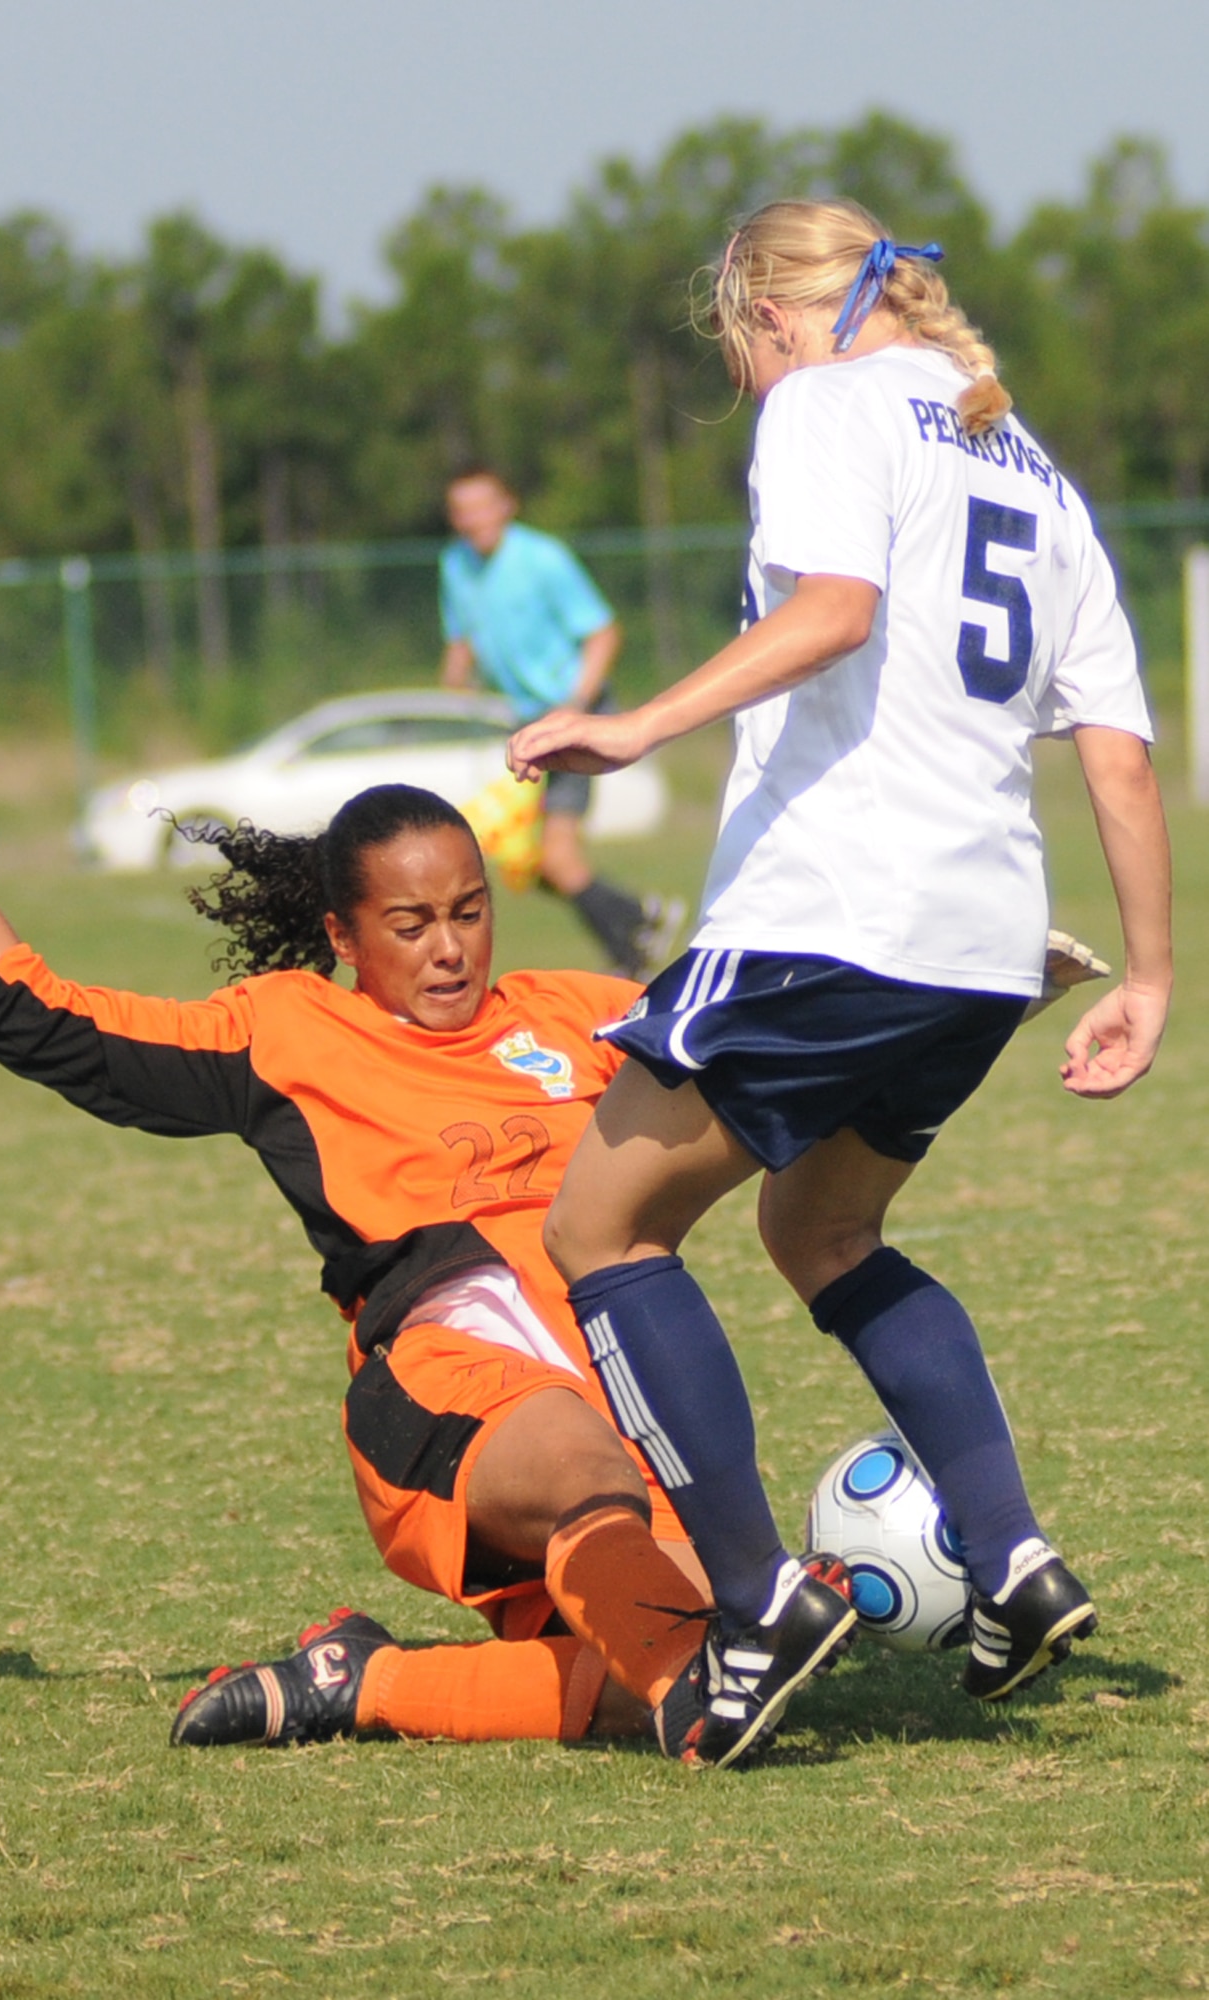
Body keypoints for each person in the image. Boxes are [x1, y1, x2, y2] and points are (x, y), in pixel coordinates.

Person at [508, 199, 1172, 1767]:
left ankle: (754, 1601)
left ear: (772, 316)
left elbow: (833, 616)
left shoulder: (824, 401)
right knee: (819, 1227)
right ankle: (1007, 1560)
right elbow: (1123, 757)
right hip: (980, 942)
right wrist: (1148, 973)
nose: (746, 379)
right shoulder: (1035, 468)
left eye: (735, 348)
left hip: (832, 911)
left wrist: (633, 728)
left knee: (598, 1227)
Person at [0, 671, 761, 1759]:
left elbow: (760, 1034)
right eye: (410, 924)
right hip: (447, 1388)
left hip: (620, 1393)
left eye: (469, 912)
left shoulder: (576, 1013)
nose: (450, 949)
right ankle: (697, 1682)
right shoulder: (288, 1032)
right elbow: (45, 1021)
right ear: (342, 932)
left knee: (688, 1655)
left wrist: (958, 990)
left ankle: (364, 1681)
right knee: (605, 1506)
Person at [440, 465, 683, 977]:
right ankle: (639, 923)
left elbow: (602, 632)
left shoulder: (541, 558)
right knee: (524, 865)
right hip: (528, 726)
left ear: (507, 505)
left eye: (483, 505)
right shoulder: (455, 566)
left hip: (576, 717)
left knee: (556, 858)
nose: (473, 519)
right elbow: (460, 640)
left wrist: (576, 704)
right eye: (462, 510)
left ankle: (635, 937)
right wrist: (456, 669)